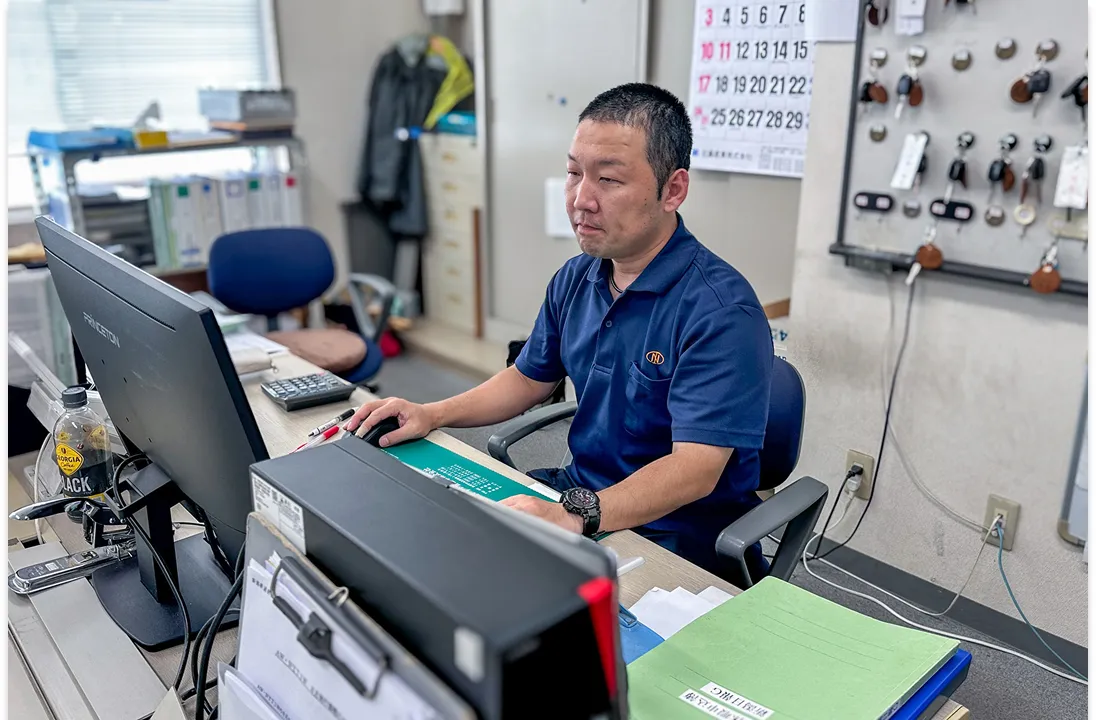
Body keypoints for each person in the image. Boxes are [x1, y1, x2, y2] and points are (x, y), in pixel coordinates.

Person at [346, 83, 774, 579]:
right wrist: (430, 412)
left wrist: (577, 514)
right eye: (574, 173)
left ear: (672, 190)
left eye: (608, 180)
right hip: (579, 499)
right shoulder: (578, 277)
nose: (580, 200)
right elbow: (529, 379)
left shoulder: (721, 312)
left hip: (678, 539)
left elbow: (696, 468)